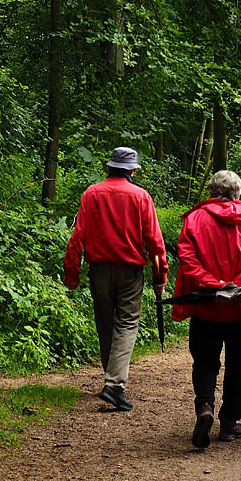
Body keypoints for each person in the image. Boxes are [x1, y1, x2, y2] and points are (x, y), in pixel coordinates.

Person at [171, 170, 241, 448]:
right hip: (240, 306)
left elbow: (187, 258)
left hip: (206, 304)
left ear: (212, 191)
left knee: (204, 360)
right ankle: (229, 423)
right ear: (237, 193)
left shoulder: (195, 219)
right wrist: (236, 286)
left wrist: (214, 286)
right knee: (238, 365)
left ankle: (204, 406)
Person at [64, 147, 168, 412]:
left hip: (98, 268)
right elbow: (155, 243)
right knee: (127, 323)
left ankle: (112, 381)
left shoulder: (91, 194)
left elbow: (78, 236)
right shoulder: (141, 197)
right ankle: (114, 384)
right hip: (130, 271)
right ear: (132, 170)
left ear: (109, 167)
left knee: (105, 323)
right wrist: (159, 276)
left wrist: (72, 273)